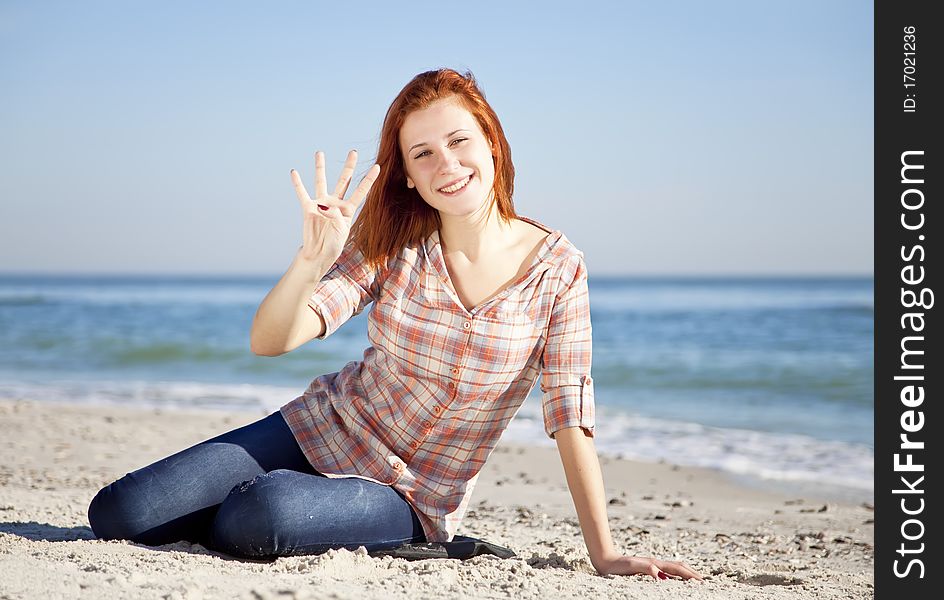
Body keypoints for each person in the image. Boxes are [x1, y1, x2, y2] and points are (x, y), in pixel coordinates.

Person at [88, 68, 701, 581]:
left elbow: (570, 412)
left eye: (460, 142)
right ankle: (264, 508)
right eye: (424, 153)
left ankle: (329, 519)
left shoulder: (559, 269)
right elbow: (270, 341)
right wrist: (311, 260)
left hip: (410, 492)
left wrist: (606, 552)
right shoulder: (396, 243)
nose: (448, 164)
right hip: (316, 430)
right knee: (119, 514)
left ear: (492, 142)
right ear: (407, 173)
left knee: (260, 514)